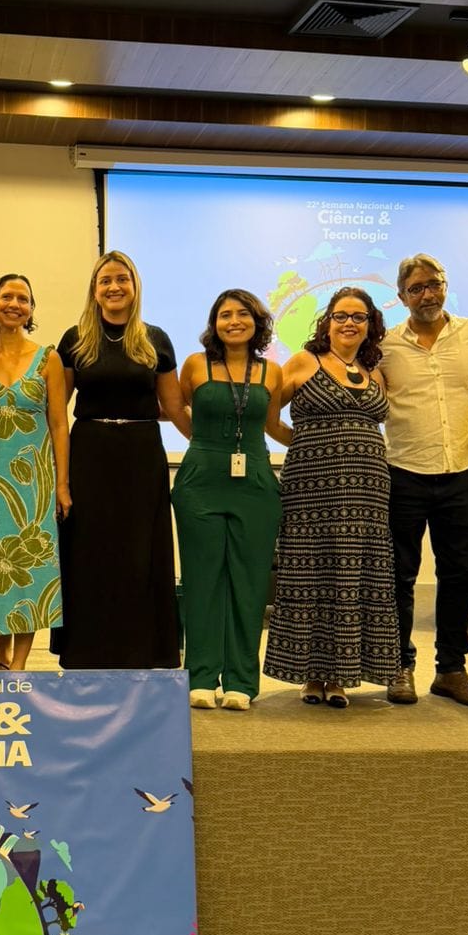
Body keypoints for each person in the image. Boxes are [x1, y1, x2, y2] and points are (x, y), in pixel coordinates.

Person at [54, 250, 191, 669]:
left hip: (140, 454)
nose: (114, 287)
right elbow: (57, 413)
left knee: (138, 555)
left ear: (134, 287)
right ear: (94, 291)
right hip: (90, 452)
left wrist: (215, 445)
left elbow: (175, 409)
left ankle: (141, 652)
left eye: (122, 280)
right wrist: (60, 481)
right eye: (105, 281)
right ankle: (87, 652)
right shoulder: (74, 339)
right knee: (90, 554)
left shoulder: (156, 339)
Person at [263, 287, 400, 706]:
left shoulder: (374, 372)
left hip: (367, 493)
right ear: (327, 321)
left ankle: (340, 676)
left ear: (370, 325)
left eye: (358, 317)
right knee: (312, 574)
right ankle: (311, 676)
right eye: (341, 315)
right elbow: (268, 416)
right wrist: (303, 442)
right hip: (311, 490)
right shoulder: (305, 362)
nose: (349, 324)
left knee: (353, 576)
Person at [377, 253, 468, 708]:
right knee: (399, 577)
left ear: (446, 286)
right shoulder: (384, 344)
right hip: (403, 472)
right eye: (417, 288)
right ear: (402, 296)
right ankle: (399, 666)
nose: (428, 294)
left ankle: (451, 670)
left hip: (462, 474)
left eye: (435, 284)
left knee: (458, 575)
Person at [173, 289, 287, 710]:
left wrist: (312, 444)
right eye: (224, 314)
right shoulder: (194, 365)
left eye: (242, 314)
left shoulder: (270, 373)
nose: (233, 320)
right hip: (201, 479)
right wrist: (205, 446)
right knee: (202, 579)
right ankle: (201, 676)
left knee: (250, 581)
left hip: (255, 481)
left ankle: (240, 680)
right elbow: (177, 410)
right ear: (213, 322)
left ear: (257, 322)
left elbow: (272, 424)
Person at [0, 273, 71, 671]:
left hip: (36, 480)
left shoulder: (48, 358)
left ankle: (21, 662)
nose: (14, 303)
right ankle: (1, 656)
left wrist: (62, 483)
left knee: (31, 566)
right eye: (7, 296)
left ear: (31, 309)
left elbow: (60, 423)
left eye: (23, 299)